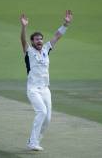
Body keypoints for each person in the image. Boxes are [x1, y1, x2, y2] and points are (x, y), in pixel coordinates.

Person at [20, 10, 73, 151]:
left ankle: (35, 140)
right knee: (41, 112)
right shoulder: (28, 51)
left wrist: (66, 24)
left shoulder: (46, 49)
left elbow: (57, 36)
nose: (39, 41)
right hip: (33, 89)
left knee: (48, 118)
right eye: (37, 39)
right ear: (32, 42)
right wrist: (24, 27)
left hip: (45, 89)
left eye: (41, 39)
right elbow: (23, 41)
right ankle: (32, 142)